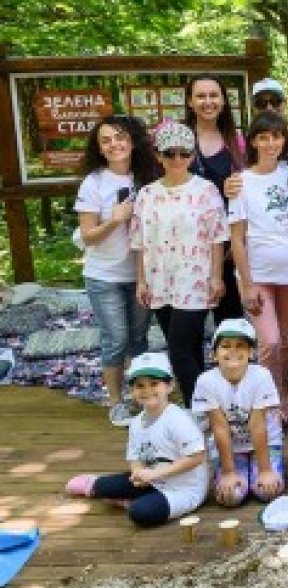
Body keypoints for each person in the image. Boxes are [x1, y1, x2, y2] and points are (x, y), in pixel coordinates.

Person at [131, 122, 228, 405]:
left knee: (179, 348)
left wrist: (216, 277)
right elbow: (139, 241)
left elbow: (217, 237)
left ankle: (199, 407)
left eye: (184, 153)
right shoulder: (146, 194)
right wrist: (141, 280)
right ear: (158, 155)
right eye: (170, 153)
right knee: (191, 347)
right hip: (159, 279)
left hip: (194, 280)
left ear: (192, 155)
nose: (177, 159)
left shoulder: (206, 190)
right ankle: (202, 406)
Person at [76, 114, 161, 425]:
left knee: (139, 339)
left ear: (132, 140)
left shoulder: (148, 176)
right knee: (116, 339)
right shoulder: (94, 182)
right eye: (106, 140)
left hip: (141, 275)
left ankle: (145, 398)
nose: (114, 144)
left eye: (120, 137)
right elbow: (87, 236)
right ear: (99, 148)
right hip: (104, 276)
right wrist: (114, 220)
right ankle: (115, 401)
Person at [64, 352, 207, 527]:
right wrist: (138, 473)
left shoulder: (178, 419)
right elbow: (134, 457)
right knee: (103, 487)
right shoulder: (136, 422)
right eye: (140, 386)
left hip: (184, 488)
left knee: (140, 512)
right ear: (132, 390)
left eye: (154, 384)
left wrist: (155, 474)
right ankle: (98, 485)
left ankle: (134, 500)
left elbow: (196, 457)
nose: (147, 391)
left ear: (169, 386)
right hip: (152, 480)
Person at [229, 113, 288, 394]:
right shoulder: (241, 182)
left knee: (287, 341)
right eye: (263, 138)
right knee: (270, 342)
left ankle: (280, 392)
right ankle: (264, 397)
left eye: (276, 137)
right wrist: (247, 285)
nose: (271, 143)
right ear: (252, 142)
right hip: (259, 276)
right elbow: (237, 238)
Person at [192, 318, 284, 506]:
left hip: (265, 443)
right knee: (231, 496)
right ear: (214, 354)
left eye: (241, 345)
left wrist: (265, 471)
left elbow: (257, 425)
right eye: (225, 346)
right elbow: (220, 428)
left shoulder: (261, 376)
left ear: (251, 353)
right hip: (230, 447)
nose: (233, 351)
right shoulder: (205, 381)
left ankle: (260, 468)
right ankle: (233, 470)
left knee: (267, 491)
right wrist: (228, 472)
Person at [184, 75, 246, 323]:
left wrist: (236, 190)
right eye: (201, 96)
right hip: (186, 244)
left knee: (229, 321)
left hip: (226, 242)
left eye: (213, 95)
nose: (208, 102)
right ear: (189, 102)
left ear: (223, 100)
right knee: (188, 324)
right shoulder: (180, 139)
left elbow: (249, 188)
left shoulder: (236, 141)